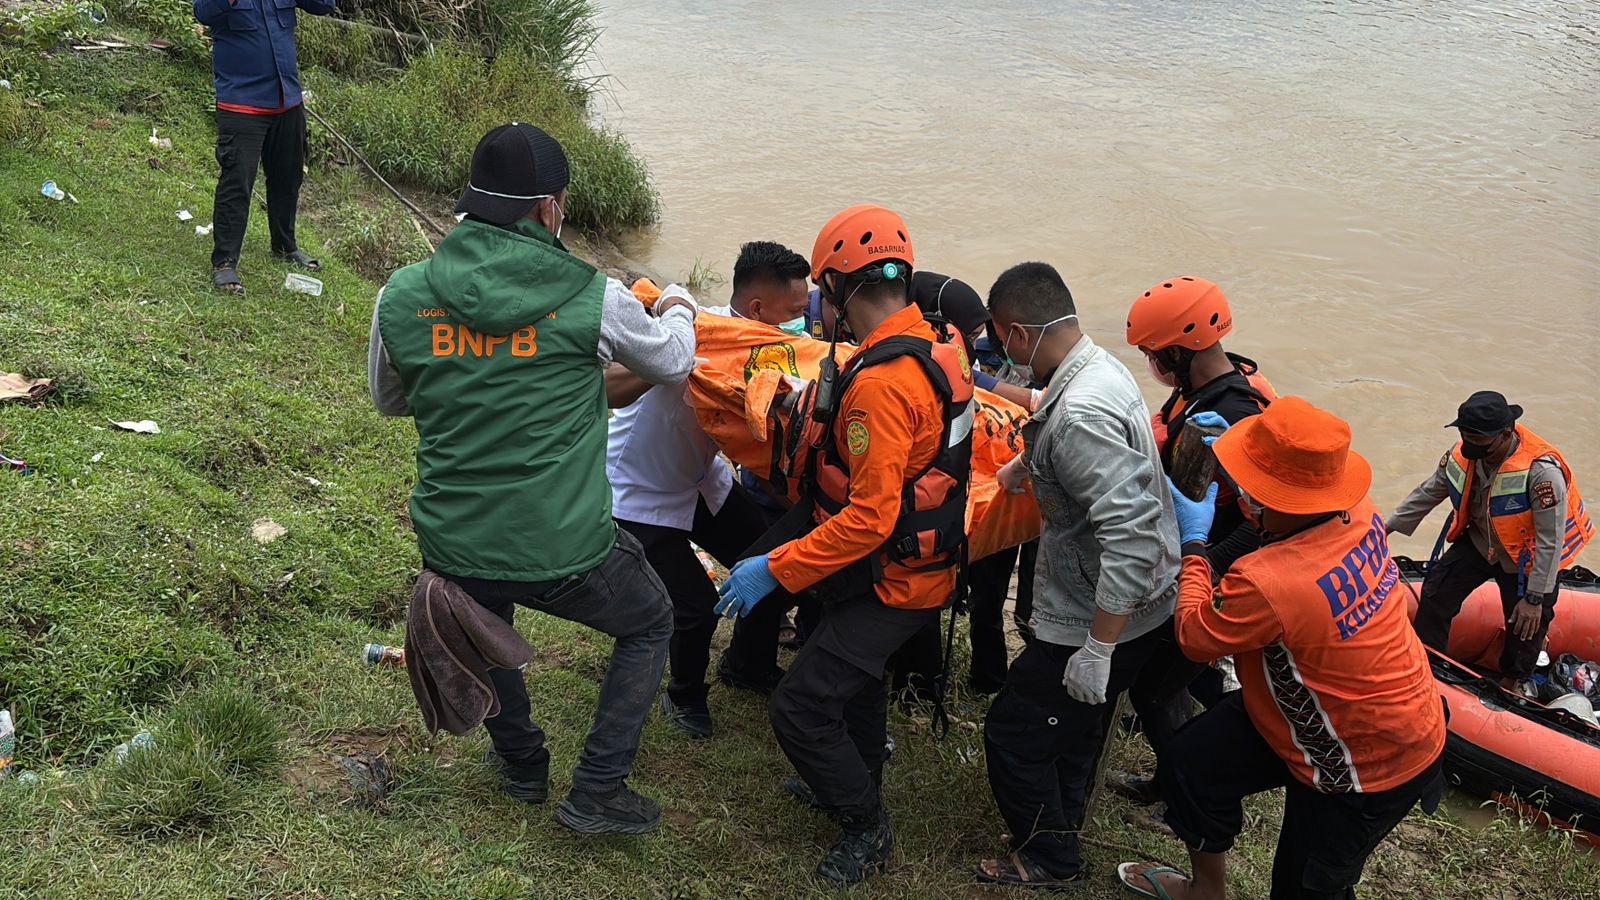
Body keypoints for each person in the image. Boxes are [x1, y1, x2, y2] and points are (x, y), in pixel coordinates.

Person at [368, 123, 697, 835]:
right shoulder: (593, 295)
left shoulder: (401, 295)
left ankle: (521, 765)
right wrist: (680, 306)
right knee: (651, 620)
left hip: (453, 543)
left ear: (470, 205)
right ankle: (598, 791)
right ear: (550, 208)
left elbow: (392, 399)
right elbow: (672, 362)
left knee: (482, 613)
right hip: (564, 548)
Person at [714, 205, 974, 885]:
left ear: (835, 288)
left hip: (895, 578)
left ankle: (868, 828)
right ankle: (850, 785)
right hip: (915, 564)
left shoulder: (883, 386)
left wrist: (776, 566)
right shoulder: (935, 344)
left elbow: (870, 519)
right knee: (854, 687)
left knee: (799, 706)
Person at [1117, 396, 1447, 900]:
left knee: (1305, 885)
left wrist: (1195, 544)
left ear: (1274, 502)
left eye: (1250, 487)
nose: (1244, 497)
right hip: (1338, 702)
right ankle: (1206, 891)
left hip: (1365, 759)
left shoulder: (1270, 582)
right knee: (1193, 764)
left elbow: (1195, 634)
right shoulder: (1357, 511)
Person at [975, 262, 1180, 889]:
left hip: (1103, 611)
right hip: (1141, 603)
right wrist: (1023, 466)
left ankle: (1048, 857)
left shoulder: (1080, 415)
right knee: (1078, 724)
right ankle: (1064, 822)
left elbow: (1130, 534)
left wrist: (1096, 646)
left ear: (1014, 335)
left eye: (1002, 345)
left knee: (1013, 732)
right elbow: (1058, 426)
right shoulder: (1096, 368)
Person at [605, 241, 809, 740]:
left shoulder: (770, 347)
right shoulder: (699, 333)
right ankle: (684, 697)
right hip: (640, 488)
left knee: (771, 561)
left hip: (700, 480)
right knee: (692, 603)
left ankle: (749, 666)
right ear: (758, 309)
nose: (803, 326)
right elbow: (612, 376)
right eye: (796, 314)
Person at [1117, 275, 1276, 804]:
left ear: (1183, 352)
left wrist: (1200, 563)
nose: (1153, 366)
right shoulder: (1208, 392)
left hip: (1218, 564)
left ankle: (1188, 790)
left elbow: (1259, 526)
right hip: (1199, 556)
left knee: (1154, 687)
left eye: (1156, 355)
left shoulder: (1234, 418)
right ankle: (1175, 779)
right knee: (1177, 677)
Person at [1387, 391, 1593, 689]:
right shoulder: (1465, 452)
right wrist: (1384, 529)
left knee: (1526, 625)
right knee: (1436, 592)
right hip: (1481, 543)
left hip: (1526, 557)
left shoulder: (1542, 473)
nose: (1470, 447)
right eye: (1465, 437)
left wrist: (1534, 598)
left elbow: (1551, 541)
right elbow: (1428, 492)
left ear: (1505, 434)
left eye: (1479, 442)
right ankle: (1428, 663)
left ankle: (1513, 681)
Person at [193, 0, 335, 295]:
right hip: (242, 101)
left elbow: (323, 6)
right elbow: (203, 12)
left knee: (288, 176)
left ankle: (284, 247)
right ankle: (225, 263)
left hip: (287, 98)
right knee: (238, 181)